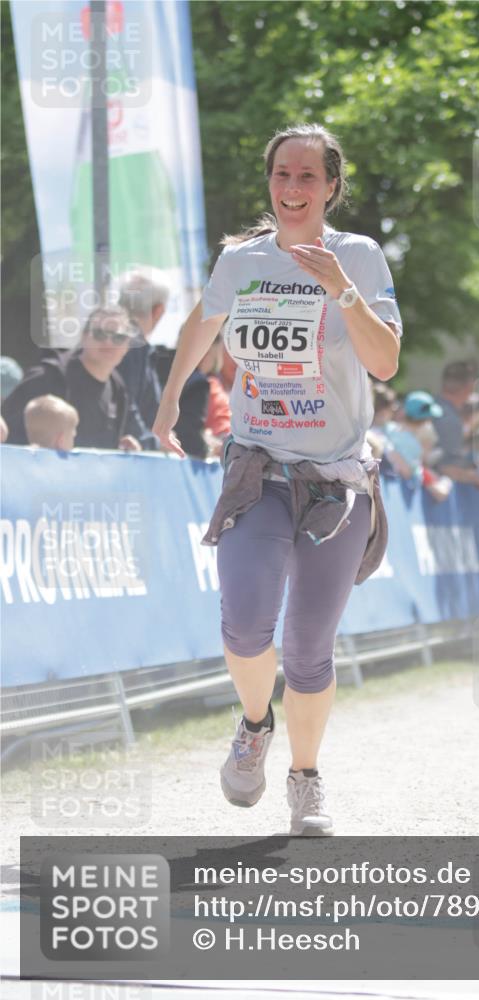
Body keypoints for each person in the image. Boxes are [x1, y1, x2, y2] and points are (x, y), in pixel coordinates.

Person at [152, 123, 401, 835]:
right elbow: (205, 318)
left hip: (338, 483)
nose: (292, 190)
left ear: (330, 187)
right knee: (244, 619)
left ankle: (306, 776)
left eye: (307, 178)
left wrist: (342, 291)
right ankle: (255, 723)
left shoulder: (359, 256)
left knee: (309, 646)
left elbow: (384, 364)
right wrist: (171, 400)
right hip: (258, 466)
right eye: (281, 176)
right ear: (271, 183)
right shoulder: (242, 260)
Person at [1, 306, 143, 451]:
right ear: (84, 336)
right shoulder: (48, 377)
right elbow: (6, 437)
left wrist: (124, 449)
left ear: (127, 345)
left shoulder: (119, 391)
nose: (109, 342)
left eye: (118, 337)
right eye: (100, 334)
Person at [117, 266, 170, 444]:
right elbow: (126, 407)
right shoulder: (131, 347)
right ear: (158, 311)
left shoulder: (107, 339)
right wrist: (156, 443)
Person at [432, 360, 479, 487]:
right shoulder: (450, 420)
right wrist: (475, 477)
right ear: (470, 387)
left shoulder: (432, 406)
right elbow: (446, 467)